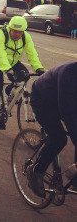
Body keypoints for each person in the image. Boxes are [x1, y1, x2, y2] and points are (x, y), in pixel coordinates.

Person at [27, 62, 77, 197]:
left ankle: (75, 180)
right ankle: (36, 170)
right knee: (59, 139)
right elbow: (67, 111)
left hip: (63, 101)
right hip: (42, 101)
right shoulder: (69, 74)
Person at [0, 16, 45, 129]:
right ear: (10, 29)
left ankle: (9, 91)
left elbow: (31, 53)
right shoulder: (1, 34)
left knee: (25, 75)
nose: (18, 35)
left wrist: (39, 68)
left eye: (20, 32)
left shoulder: (25, 37)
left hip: (12, 61)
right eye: (15, 31)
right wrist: (7, 70)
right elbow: (0, 54)